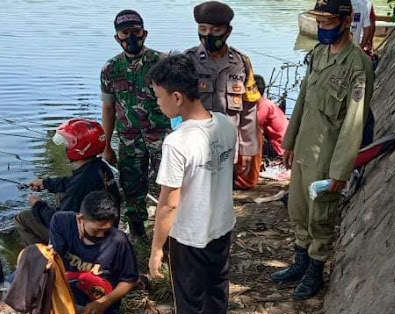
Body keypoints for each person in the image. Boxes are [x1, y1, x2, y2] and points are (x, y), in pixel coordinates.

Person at [270, 0, 374, 300]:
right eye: (319, 22)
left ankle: (315, 270)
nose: (322, 28)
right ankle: (300, 263)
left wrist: (341, 169)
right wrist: (288, 142)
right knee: (299, 209)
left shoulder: (357, 65)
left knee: (321, 215)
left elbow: (354, 123)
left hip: (328, 156)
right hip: (305, 147)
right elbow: (303, 98)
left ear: (345, 22)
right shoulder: (319, 53)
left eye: (328, 22)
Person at [147, 53, 237, 314]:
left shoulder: (177, 142)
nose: (158, 104)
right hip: (222, 226)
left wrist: (156, 249)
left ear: (176, 97)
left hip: (189, 237)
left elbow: (168, 203)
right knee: (216, 288)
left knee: (188, 303)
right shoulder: (225, 124)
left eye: (159, 97)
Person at [101, 9, 171, 239]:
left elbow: (178, 101)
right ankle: (139, 234)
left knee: (168, 186)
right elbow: (109, 108)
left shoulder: (162, 63)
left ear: (145, 33)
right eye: (125, 33)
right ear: (116, 37)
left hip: (162, 137)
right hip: (129, 140)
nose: (131, 37)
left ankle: (169, 234)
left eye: (136, 32)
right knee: (131, 188)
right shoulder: (110, 69)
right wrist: (106, 145)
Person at [184, 1, 261, 190]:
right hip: (195, 145)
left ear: (228, 31)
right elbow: (177, 105)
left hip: (228, 145)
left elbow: (249, 111)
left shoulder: (241, 63)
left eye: (215, 30)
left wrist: (248, 150)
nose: (208, 35)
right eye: (203, 28)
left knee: (223, 196)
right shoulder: (188, 60)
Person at [14, 118, 120, 245]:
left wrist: (37, 204)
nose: (66, 147)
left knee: (22, 218)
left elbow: (58, 221)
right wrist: (45, 183)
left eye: (69, 143)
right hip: (103, 229)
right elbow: (70, 182)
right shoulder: (99, 167)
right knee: (60, 194)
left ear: (80, 147)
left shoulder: (82, 181)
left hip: (87, 239)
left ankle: (52, 257)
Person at [49, 191, 139, 314]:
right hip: (68, 288)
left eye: (106, 230)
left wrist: (103, 303)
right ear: (80, 219)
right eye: (96, 230)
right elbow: (54, 258)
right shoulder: (61, 222)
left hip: (101, 297)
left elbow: (129, 280)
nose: (101, 236)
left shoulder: (118, 240)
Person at [254, 74, 289, 158]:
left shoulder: (264, 105)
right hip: (282, 145)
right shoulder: (266, 103)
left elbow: (252, 126)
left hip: (278, 148)